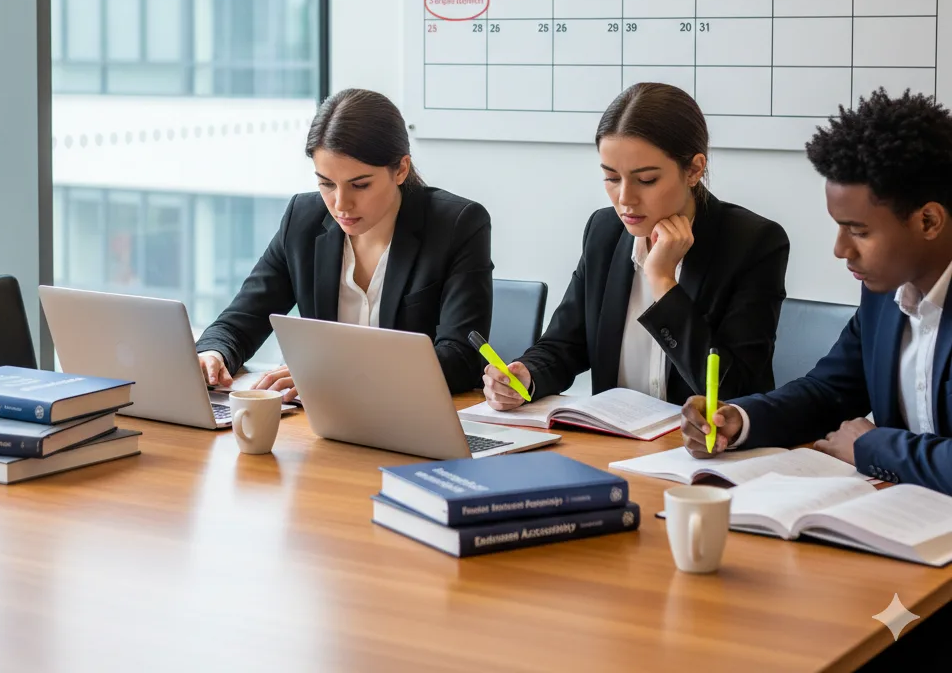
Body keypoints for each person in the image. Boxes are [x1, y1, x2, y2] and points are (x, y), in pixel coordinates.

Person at [680, 89, 952, 495]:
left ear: (928, 221)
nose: (841, 249)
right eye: (839, 227)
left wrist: (875, 445)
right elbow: (829, 392)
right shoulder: (885, 295)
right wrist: (738, 419)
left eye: (859, 231)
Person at [483, 82, 789, 410]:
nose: (625, 199)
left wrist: (663, 282)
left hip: (703, 450)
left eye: (646, 180)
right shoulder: (605, 231)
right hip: (616, 444)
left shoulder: (753, 243)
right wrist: (526, 375)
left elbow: (733, 389)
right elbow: (565, 344)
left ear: (694, 169)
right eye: (612, 178)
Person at [195, 88, 493, 397]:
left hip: (412, 419)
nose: (340, 204)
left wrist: (338, 376)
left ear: (401, 169)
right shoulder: (303, 219)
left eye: (360, 185)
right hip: (320, 423)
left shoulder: (457, 225)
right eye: (326, 184)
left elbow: (460, 359)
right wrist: (214, 355)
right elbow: (240, 321)